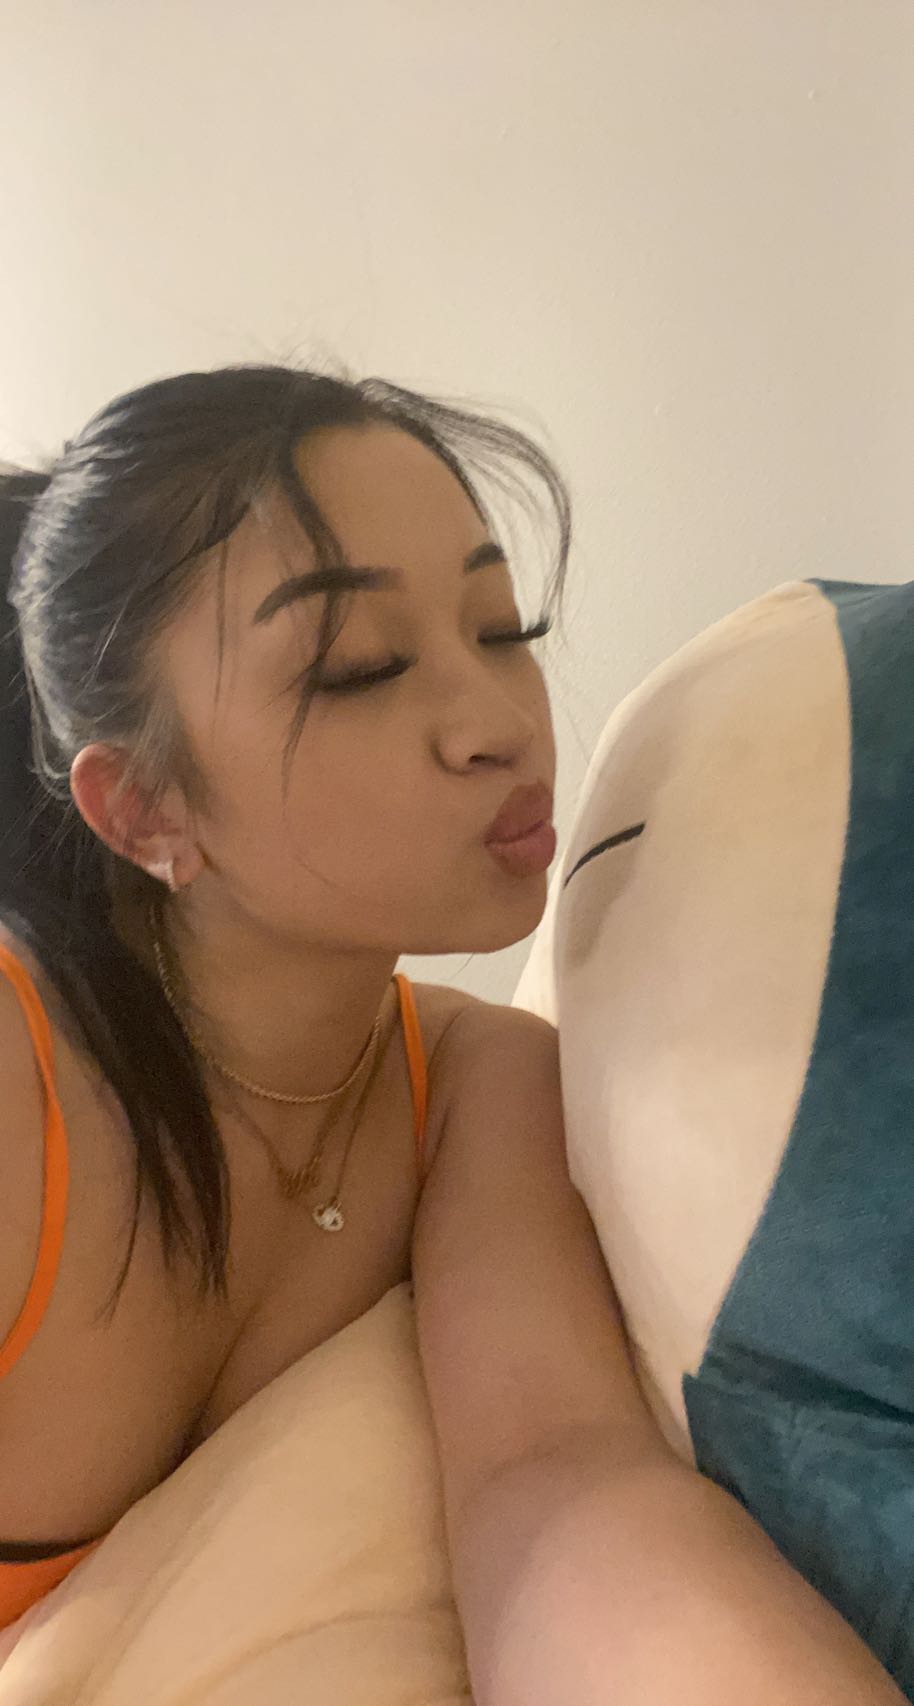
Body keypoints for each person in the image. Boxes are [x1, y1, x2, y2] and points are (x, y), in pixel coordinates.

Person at [0, 364, 903, 1703]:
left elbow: (558, 1482)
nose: (500, 723)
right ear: (143, 808)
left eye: (501, 626)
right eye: (361, 668)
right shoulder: (22, 1075)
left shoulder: (483, 1083)